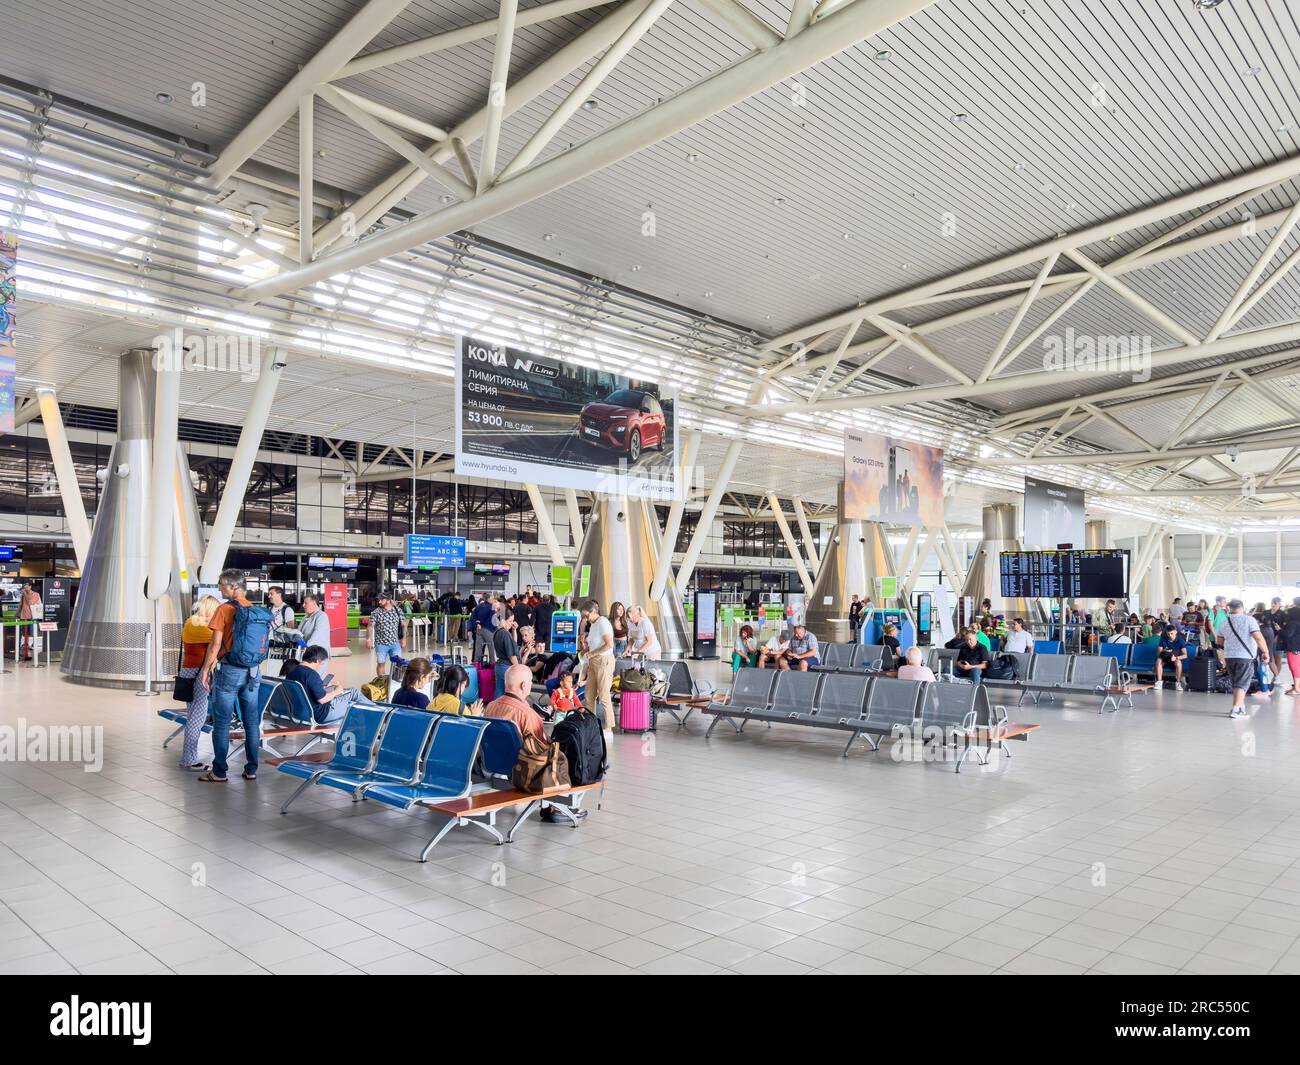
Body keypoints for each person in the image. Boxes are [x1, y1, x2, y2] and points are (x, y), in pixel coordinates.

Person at [197, 569, 267, 783]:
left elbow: (215, 644)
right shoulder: (254, 610)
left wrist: (206, 670)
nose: (219, 588)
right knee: (251, 722)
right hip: (254, 671)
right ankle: (251, 769)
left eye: (222, 584)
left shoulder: (224, 609)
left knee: (222, 722)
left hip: (230, 671)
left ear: (233, 587)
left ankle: (219, 771)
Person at [177, 594, 220, 771]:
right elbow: (219, 641)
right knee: (197, 717)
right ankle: (189, 760)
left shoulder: (191, 622)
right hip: (197, 674)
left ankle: (189, 758)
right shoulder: (197, 624)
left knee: (194, 715)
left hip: (189, 672)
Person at [286, 646, 371, 724]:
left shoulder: (292, 672)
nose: (320, 667)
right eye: (321, 663)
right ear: (317, 661)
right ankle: (380, 714)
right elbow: (322, 699)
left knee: (347, 695)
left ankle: (375, 715)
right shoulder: (311, 674)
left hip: (300, 712)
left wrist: (321, 687)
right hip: (322, 714)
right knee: (353, 693)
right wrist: (336, 692)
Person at [1216, 598, 1270, 718]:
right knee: (1242, 683)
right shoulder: (1249, 620)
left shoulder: (1224, 622)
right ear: (1242, 608)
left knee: (1236, 682)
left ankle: (1240, 706)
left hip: (1229, 656)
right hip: (1244, 656)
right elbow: (1258, 637)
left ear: (1230, 609)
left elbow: (1219, 641)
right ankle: (1236, 709)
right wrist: (1265, 652)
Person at [483, 663, 546, 742]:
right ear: (523, 685)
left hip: (491, 753)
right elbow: (539, 749)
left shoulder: (490, 706)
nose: (532, 683)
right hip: (520, 754)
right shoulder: (528, 715)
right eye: (531, 681)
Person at [581, 599, 616, 741]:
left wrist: (592, 654)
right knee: (589, 694)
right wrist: (585, 647)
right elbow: (594, 645)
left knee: (603, 695)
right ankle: (592, 723)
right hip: (593, 662)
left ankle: (609, 727)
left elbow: (609, 644)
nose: (586, 618)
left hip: (604, 661)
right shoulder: (594, 624)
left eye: (587, 615)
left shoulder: (603, 623)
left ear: (595, 612)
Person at [367, 590, 407, 678]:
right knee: (381, 664)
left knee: (398, 664)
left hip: (395, 643)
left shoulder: (398, 610)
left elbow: (404, 625)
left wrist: (404, 638)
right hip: (381, 644)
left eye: (381, 600)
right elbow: (370, 625)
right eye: (379, 600)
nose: (379, 602)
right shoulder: (376, 612)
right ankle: (381, 681)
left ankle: (395, 682)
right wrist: (369, 639)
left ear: (388, 600)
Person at [492, 613, 521, 696]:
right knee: (513, 694)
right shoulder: (505, 634)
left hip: (500, 666)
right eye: (510, 621)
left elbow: (513, 644)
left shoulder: (497, 632)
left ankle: (495, 709)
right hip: (507, 667)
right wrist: (518, 668)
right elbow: (511, 655)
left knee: (499, 692)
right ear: (502, 620)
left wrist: (514, 630)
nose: (512, 623)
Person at [1155, 624, 1189, 690]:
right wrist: (1164, 651)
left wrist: (1176, 658)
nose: (1170, 635)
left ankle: (1178, 683)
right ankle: (1159, 682)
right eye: (1168, 634)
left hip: (1175, 658)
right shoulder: (1163, 639)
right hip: (1166, 658)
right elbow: (1158, 653)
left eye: (1171, 633)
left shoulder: (1180, 640)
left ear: (1176, 632)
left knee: (1178, 663)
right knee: (1159, 660)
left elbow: (1185, 655)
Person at [467, 594, 498, 664]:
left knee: (478, 648)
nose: (493, 600)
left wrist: (474, 626)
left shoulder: (478, 606)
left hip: (478, 630)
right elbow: (491, 619)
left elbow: (472, 618)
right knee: (491, 646)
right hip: (488, 630)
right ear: (488, 599)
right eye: (492, 598)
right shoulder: (491, 607)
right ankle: (492, 663)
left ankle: (476, 663)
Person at [17, 581, 41, 660]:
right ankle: (24, 643)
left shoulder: (35, 594)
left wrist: (25, 594)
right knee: (23, 631)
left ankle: (33, 644)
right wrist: (17, 613)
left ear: (30, 587)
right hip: (23, 616)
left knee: (32, 631)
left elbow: (30, 603)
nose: (25, 588)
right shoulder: (24, 595)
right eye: (24, 586)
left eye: (27, 586)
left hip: (32, 616)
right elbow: (21, 604)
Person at [1280, 606, 1300, 696]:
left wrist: (1280, 630)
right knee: (1295, 667)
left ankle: (1296, 688)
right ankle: (1296, 686)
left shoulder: (1293, 623)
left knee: (1294, 667)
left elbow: (1288, 634)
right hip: (1297, 646)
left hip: (1293, 647)